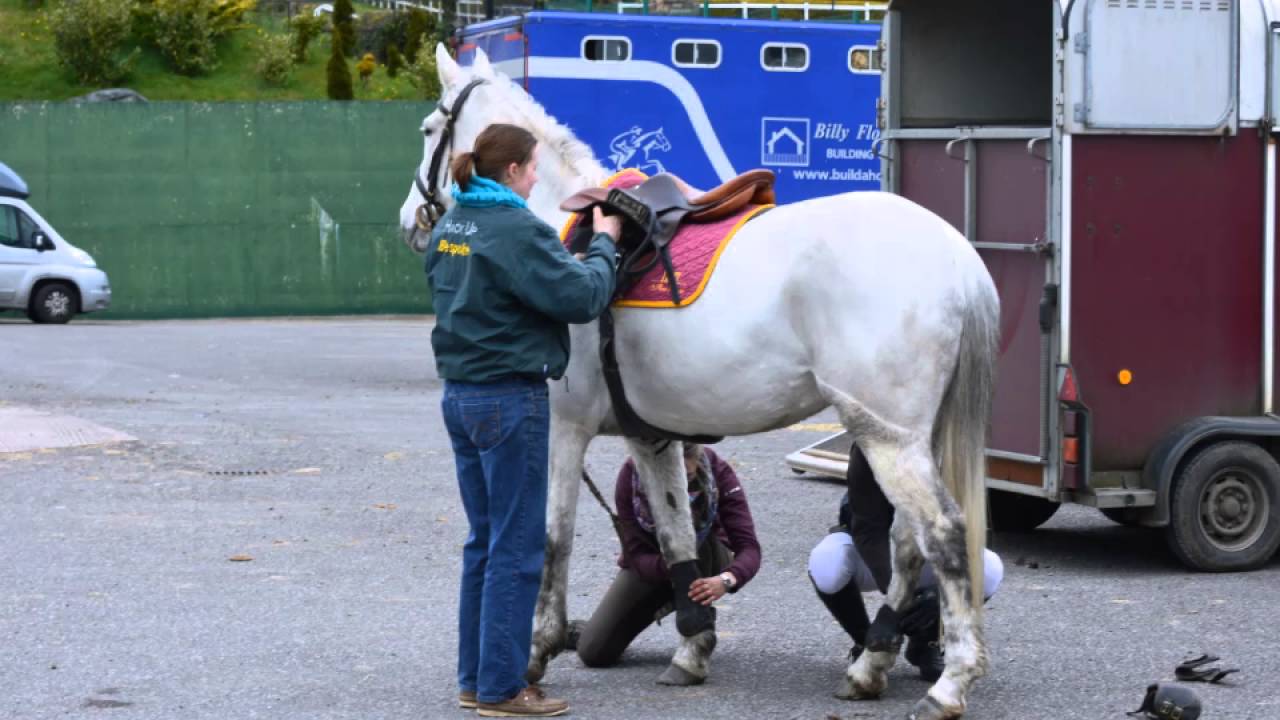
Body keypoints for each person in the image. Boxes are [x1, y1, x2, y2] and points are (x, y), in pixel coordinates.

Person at [427, 122, 621, 718]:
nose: (538, 176)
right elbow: (584, 296)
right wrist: (607, 241)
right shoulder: (515, 229)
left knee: (484, 543)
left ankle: (475, 679)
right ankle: (503, 690)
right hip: (508, 400)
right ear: (511, 171)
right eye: (533, 167)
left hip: (460, 397)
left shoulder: (453, 223)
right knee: (516, 547)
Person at [807, 446, 1004, 682]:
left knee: (989, 569)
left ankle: (927, 641)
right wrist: (897, 600)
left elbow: (974, 530)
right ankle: (866, 640)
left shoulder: (956, 443)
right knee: (826, 563)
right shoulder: (870, 444)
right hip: (876, 551)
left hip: (931, 553)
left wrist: (941, 597)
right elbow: (868, 529)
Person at [568, 443, 762, 682]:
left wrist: (727, 579)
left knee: (693, 537)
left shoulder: (718, 470)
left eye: (688, 476)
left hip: (706, 559)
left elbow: (749, 547)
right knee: (594, 653)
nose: (681, 484)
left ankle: (697, 634)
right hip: (656, 566)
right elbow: (635, 556)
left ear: (698, 457)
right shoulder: (630, 474)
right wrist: (674, 569)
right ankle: (584, 630)